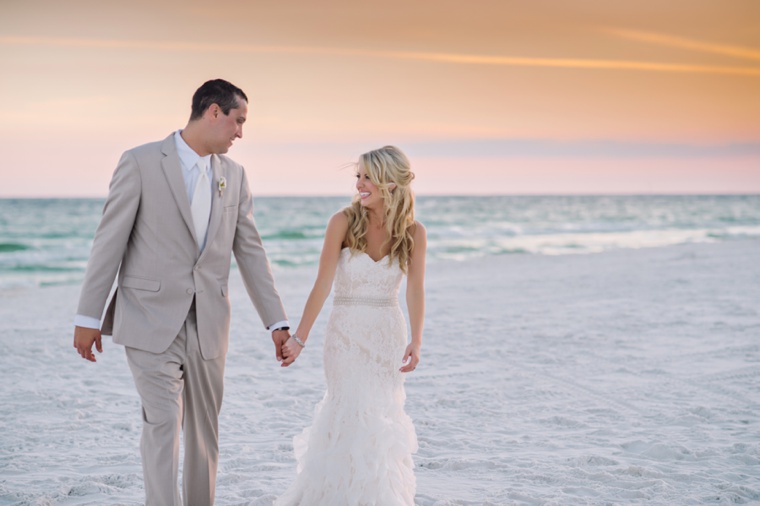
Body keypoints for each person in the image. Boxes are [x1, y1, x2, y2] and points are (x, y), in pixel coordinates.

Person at [72, 79, 292, 506]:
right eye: (238, 121)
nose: (240, 133)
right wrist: (88, 317)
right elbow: (109, 242)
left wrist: (277, 321)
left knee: (204, 431)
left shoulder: (234, 174)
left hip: (210, 324)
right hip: (149, 319)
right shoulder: (139, 162)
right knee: (163, 424)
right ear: (213, 111)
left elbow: (250, 250)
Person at [276, 145, 426, 505]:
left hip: (387, 336)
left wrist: (417, 342)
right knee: (346, 412)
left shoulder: (413, 231)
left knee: (379, 418)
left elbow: (415, 290)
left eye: (367, 177)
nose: (359, 184)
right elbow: (322, 285)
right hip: (344, 338)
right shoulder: (342, 221)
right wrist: (299, 338)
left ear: (391, 183)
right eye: (357, 176)